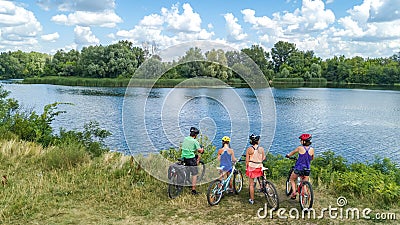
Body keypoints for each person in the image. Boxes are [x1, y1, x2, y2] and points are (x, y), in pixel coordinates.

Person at [286, 133, 315, 199]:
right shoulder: (312, 149)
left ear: (304, 141)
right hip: (307, 169)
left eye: (301, 140)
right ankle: (305, 193)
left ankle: (294, 193)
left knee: (292, 179)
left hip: (299, 168)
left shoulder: (300, 148)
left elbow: (291, 153)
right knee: (304, 182)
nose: (300, 141)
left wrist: (288, 155)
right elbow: (312, 158)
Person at [181, 127, 204, 195]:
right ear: (196, 135)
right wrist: (202, 149)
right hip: (190, 158)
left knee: (187, 169)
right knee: (194, 174)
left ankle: (186, 181)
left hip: (184, 157)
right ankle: (193, 190)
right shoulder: (195, 141)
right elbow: (200, 150)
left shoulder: (186, 138)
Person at [245, 134, 265, 204]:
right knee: (263, 178)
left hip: (252, 167)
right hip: (259, 166)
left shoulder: (249, 149)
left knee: (251, 184)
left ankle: (252, 199)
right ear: (258, 141)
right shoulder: (261, 149)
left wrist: (246, 168)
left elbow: (247, 160)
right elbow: (263, 158)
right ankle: (265, 188)